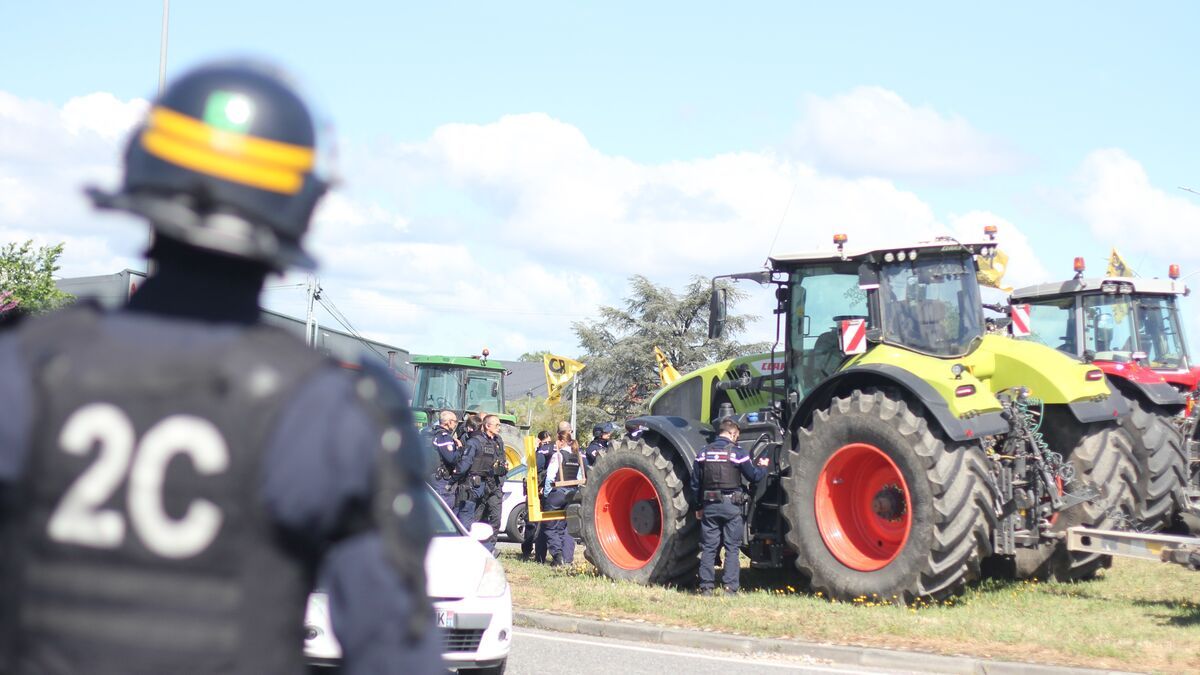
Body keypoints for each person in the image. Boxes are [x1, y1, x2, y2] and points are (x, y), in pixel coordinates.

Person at [0, 61, 441, 673]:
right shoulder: (330, 412)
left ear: (141, 172)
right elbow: (394, 652)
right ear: (300, 206)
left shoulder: (25, 368)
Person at [692, 418, 769, 596]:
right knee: (732, 548)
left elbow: (695, 483)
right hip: (732, 506)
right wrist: (763, 467)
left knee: (709, 547)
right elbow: (754, 476)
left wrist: (698, 506)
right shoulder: (737, 453)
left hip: (709, 506)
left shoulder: (703, 453)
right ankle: (730, 589)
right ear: (732, 433)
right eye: (737, 436)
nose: (736, 439)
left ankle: (706, 588)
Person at [457, 414, 505, 552]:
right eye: (497, 425)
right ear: (487, 425)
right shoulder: (474, 439)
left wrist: (502, 469)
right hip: (479, 484)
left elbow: (501, 459)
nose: (499, 428)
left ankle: (490, 549)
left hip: (494, 483)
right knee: (476, 518)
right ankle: (474, 548)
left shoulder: (498, 441)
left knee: (495, 518)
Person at [540, 430, 581, 566]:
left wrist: (546, 495)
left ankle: (557, 556)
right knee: (567, 528)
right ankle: (567, 558)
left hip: (558, 492)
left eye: (557, 441)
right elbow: (579, 477)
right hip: (572, 494)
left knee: (550, 526)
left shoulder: (558, 455)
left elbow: (550, 477)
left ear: (561, 441)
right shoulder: (577, 456)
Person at [521, 430, 554, 561]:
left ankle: (540, 553)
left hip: (545, 489)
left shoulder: (551, 453)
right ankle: (527, 551)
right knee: (530, 522)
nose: (547, 445)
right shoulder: (535, 453)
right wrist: (534, 448)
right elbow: (525, 462)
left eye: (549, 443)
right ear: (540, 442)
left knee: (545, 522)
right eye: (545, 443)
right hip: (534, 488)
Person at [430, 409, 463, 508]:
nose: (456, 424)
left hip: (432, 475)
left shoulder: (431, 432)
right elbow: (451, 459)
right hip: (442, 479)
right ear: (449, 422)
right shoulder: (444, 437)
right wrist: (459, 449)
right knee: (445, 507)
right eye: (455, 421)